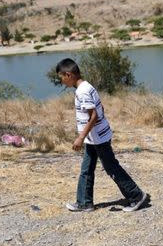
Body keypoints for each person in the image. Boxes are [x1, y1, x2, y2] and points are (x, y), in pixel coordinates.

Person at [56, 58, 147, 212]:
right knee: (87, 169)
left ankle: (136, 196)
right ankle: (85, 202)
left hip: (98, 138)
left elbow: (94, 116)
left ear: (68, 74)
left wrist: (80, 137)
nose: (62, 82)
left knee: (111, 167)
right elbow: (101, 108)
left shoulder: (82, 91)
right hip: (94, 137)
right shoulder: (87, 86)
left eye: (61, 78)